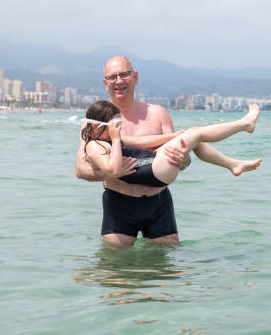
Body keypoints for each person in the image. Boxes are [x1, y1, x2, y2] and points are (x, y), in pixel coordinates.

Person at [75, 56, 257, 247]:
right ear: (105, 83)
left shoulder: (157, 114)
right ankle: (240, 138)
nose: (119, 81)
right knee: (115, 270)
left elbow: (179, 159)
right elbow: (81, 170)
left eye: (124, 74)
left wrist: (183, 160)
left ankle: (235, 155)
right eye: (112, 77)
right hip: (118, 204)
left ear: (135, 77)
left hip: (158, 203)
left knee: (164, 272)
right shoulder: (94, 123)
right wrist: (113, 171)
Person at [81, 100, 261, 188]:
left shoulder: (111, 139)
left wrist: (173, 136)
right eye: (115, 124)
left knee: (193, 137)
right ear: (97, 126)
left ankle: (233, 165)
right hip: (154, 171)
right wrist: (117, 139)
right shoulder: (93, 146)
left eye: (119, 123)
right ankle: (245, 124)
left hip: (154, 163)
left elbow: (142, 142)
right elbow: (111, 170)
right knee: (196, 133)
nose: (118, 128)